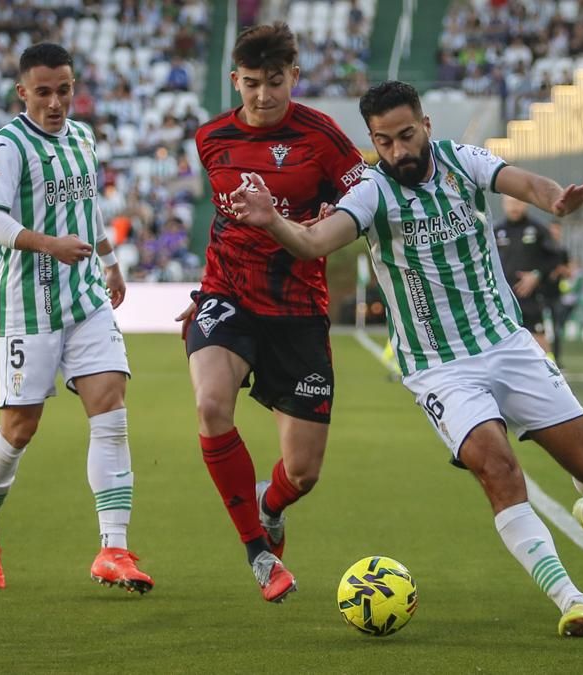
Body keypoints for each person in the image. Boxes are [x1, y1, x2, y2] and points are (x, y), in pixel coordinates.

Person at [229, 80, 583, 637]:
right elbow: (317, 241)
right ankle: (571, 600)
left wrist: (556, 199)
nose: (399, 152)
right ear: (373, 142)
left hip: (507, 344)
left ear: (427, 126)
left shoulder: (461, 161)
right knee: (497, 467)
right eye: (384, 142)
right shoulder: (371, 192)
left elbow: (525, 183)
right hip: (440, 367)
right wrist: (273, 220)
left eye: (407, 136)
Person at [175, 23, 366, 604]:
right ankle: (258, 551)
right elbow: (226, 224)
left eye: (275, 82)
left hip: (298, 310)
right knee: (210, 404)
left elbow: (366, 200)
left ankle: (270, 502)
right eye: (252, 83)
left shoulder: (324, 137)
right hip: (226, 296)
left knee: (302, 473)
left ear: (294, 78)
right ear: (236, 79)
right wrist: (206, 293)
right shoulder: (211, 139)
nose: (262, 95)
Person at [0, 43, 153, 594]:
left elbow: (88, 203)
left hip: (86, 297)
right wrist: (48, 244)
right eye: (42, 92)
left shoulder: (83, 138)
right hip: (29, 306)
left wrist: (111, 261)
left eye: (63, 90)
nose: (54, 102)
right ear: (23, 92)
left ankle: (113, 548)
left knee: (110, 403)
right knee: (19, 428)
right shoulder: (6, 146)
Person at [494, 195, 567, 357]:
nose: (514, 207)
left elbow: (555, 258)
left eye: (518, 202)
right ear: (504, 204)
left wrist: (536, 275)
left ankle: (549, 373)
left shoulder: (538, 229)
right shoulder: (496, 231)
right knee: (503, 342)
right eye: (510, 203)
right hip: (503, 299)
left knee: (538, 340)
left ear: (525, 204)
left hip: (532, 298)